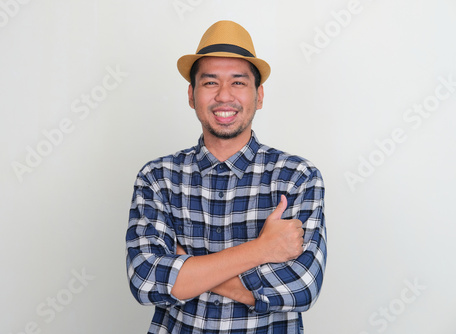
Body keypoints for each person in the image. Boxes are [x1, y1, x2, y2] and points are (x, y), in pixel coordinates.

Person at [126, 20, 327, 334]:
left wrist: (187, 269)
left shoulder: (297, 177)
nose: (224, 96)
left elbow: (301, 288)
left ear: (258, 95)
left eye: (238, 82)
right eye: (210, 83)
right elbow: (146, 280)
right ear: (192, 95)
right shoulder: (158, 178)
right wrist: (263, 249)